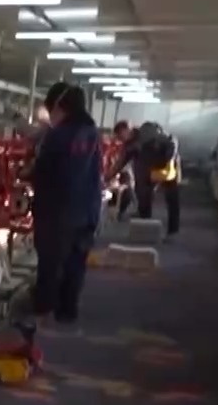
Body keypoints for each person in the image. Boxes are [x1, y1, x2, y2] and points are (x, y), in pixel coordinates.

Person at [28, 82, 104, 329]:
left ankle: (43, 311)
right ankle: (67, 311)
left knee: (50, 263)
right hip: (88, 210)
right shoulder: (92, 133)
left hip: (58, 212)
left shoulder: (59, 135)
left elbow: (45, 171)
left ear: (59, 107)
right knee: (76, 262)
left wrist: (27, 174)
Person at [133, 121, 182, 238]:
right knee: (145, 195)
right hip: (153, 169)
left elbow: (171, 155)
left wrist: (168, 162)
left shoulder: (169, 141)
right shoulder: (143, 141)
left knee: (172, 199)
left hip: (169, 170)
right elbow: (139, 162)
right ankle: (145, 225)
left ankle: (172, 230)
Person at [110, 120, 138, 220]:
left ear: (126, 130)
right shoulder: (128, 143)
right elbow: (121, 161)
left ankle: (142, 216)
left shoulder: (141, 139)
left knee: (129, 187)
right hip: (139, 170)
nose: (119, 138)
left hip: (150, 169)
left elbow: (121, 162)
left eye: (119, 134)